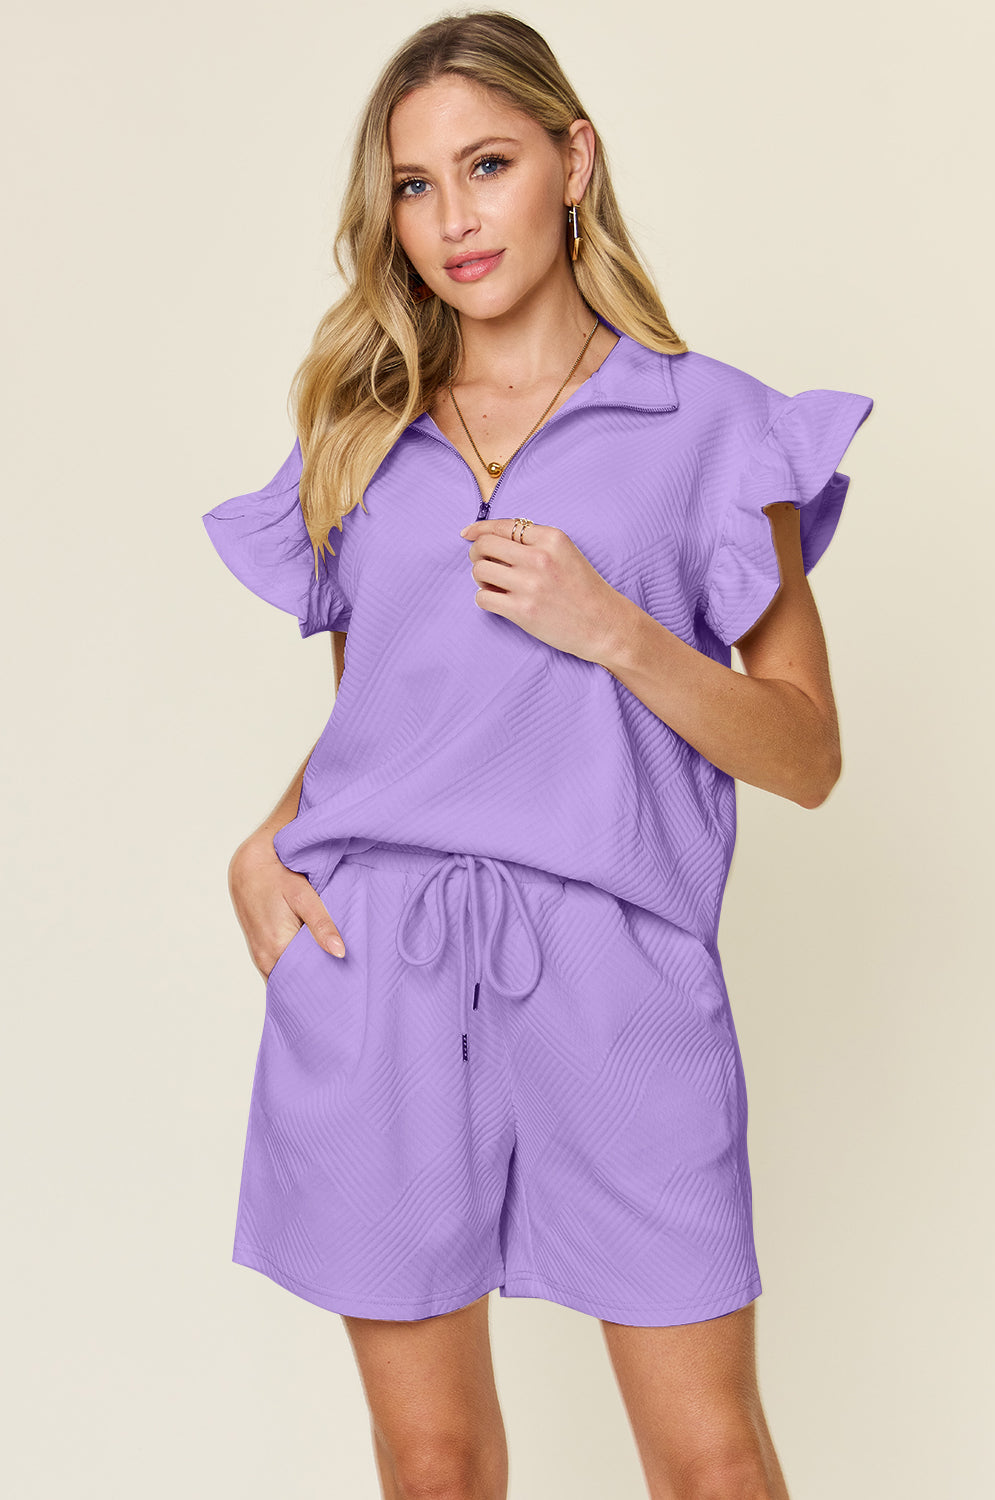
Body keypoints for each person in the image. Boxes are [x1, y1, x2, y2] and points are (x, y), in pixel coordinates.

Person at [201, 11, 873, 1499]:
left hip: (617, 971)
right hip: (377, 963)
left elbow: (809, 754)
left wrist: (617, 630)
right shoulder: (364, 438)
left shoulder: (713, 426)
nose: (453, 220)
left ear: (573, 160)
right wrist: (266, 840)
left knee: (708, 1457)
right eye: (417, 188)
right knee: (432, 1462)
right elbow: (395, 716)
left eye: (487, 165)